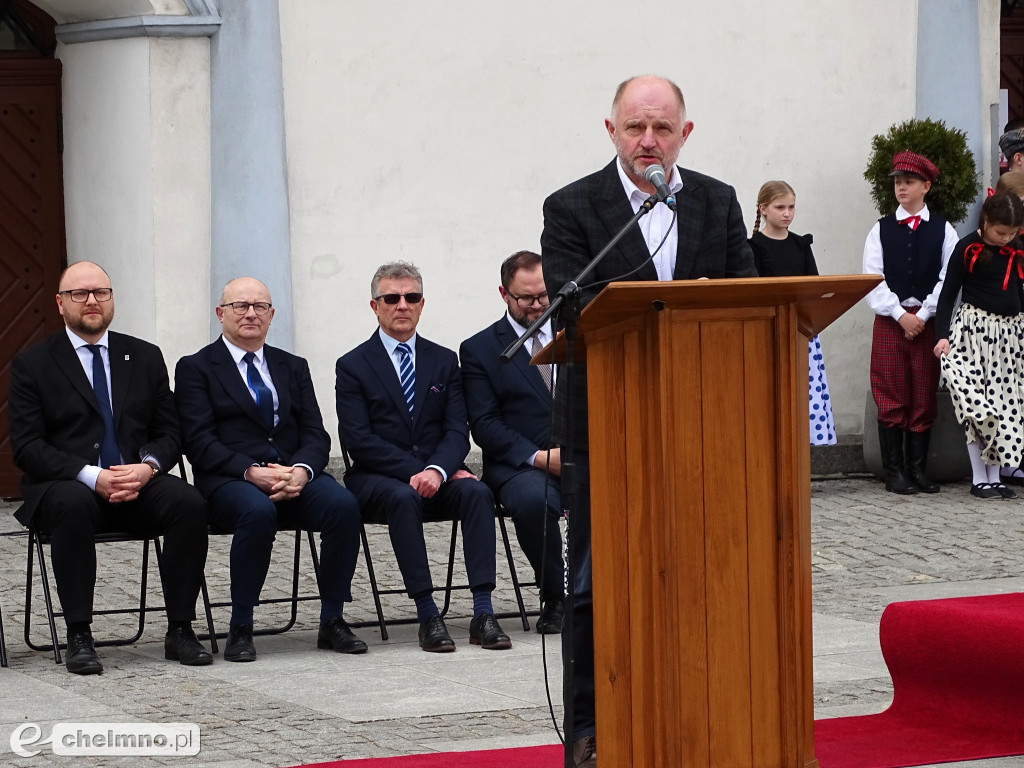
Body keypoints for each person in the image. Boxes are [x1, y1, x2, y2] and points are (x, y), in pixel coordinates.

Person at [540, 74, 756, 768]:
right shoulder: (573, 206)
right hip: (603, 426)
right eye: (635, 127)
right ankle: (590, 729)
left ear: (684, 134)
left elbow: (748, 295)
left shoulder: (717, 201)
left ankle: (701, 714)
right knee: (592, 587)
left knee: (701, 576)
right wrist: (672, 308)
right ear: (611, 131)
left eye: (662, 128)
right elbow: (577, 307)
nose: (648, 141)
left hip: (703, 423)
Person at [8, 261, 211, 675]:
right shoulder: (34, 364)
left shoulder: (144, 356)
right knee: (71, 504)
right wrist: (91, 475)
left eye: (101, 292)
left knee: (188, 502)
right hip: (68, 485)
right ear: (60, 303)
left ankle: (180, 628)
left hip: (137, 481)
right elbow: (28, 448)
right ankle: (80, 634)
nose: (92, 301)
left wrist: (148, 468)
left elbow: (170, 431)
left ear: (112, 299)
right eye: (80, 294)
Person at [174, 277, 366, 662]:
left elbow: (315, 431)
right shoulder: (196, 367)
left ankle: (332, 620)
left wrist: (301, 470)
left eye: (259, 306)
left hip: (292, 473)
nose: (250, 313)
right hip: (230, 479)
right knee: (257, 511)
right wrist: (250, 471)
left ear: (271, 314)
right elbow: (198, 440)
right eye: (240, 306)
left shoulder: (292, 366)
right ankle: (241, 626)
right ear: (220, 314)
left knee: (343, 505)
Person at [335, 261, 511, 654]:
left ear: (421, 303)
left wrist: (439, 469)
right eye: (391, 298)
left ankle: (483, 612)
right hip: (377, 477)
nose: (402, 305)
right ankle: (427, 613)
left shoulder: (444, 360)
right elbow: (358, 439)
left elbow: (456, 431)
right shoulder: (352, 365)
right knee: (402, 497)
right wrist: (420, 472)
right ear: (374, 306)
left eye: (411, 297)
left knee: (478, 493)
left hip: (438, 472)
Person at [459, 250, 565, 635]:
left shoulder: (575, 332)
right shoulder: (481, 349)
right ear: (504, 294)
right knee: (534, 503)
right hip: (521, 465)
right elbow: (484, 425)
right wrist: (538, 457)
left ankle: (607, 590)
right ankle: (557, 596)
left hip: (581, 455)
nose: (537, 305)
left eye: (544, 295)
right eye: (527, 298)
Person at [862, 150, 958, 495]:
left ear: (926, 186)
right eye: (898, 183)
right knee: (890, 393)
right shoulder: (881, 228)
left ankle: (917, 470)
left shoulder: (945, 230)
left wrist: (924, 314)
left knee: (923, 393)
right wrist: (900, 314)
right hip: (892, 320)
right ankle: (894, 472)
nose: (901, 188)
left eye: (909, 182)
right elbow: (872, 277)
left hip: (926, 321)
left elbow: (949, 279)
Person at [933, 193, 1024, 500]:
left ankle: (996, 476)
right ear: (985, 222)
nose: (1006, 238)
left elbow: (1019, 291)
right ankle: (978, 476)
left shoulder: (1016, 248)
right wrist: (941, 336)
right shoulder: (967, 247)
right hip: (975, 333)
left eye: (1012, 233)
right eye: (1001, 232)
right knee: (976, 405)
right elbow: (948, 295)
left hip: (1008, 338)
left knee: (1004, 406)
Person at [749, 180, 836, 446]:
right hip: (768, 333)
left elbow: (814, 287)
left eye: (791, 207)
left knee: (802, 397)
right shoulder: (753, 247)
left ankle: (799, 464)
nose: (787, 213)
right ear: (763, 209)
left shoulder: (801, 245)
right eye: (780, 207)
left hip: (801, 332)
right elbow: (754, 292)